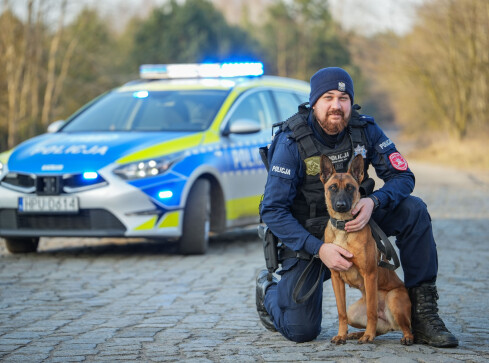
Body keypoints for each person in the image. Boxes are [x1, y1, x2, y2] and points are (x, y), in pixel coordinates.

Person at [256, 67, 458, 347]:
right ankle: (269, 290)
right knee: (300, 329)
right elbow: (272, 210)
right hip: (309, 237)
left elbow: (403, 177)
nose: (336, 105)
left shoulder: (365, 129)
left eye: (343, 98)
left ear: (351, 101)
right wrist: (319, 249)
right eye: (328, 97)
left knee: (414, 210)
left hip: (359, 222)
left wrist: (373, 202)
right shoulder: (292, 141)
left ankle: (423, 315)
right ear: (314, 102)